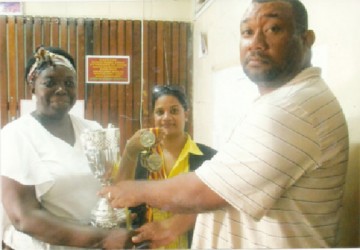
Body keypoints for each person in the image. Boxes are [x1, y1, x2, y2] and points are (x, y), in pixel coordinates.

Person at [101, 0, 349, 248]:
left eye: (274, 29)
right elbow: (230, 190)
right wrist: (171, 227)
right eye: (247, 32)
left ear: (306, 39)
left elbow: (203, 192)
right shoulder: (284, 102)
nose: (256, 43)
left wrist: (135, 190)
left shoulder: (292, 108)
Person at [0, 46, 133, 249]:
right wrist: (101, 238)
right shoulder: (15, 135)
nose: (61, 89)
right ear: (32, 86)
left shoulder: (92, 129)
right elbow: (23, 217)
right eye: (50, 82)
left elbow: (111, 186)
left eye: (69, 83)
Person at [114, 85, 217, 249]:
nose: (166, 117)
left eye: (174, 111)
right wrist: (129, 152)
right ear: (153, 117)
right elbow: (118, 195)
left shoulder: (209, 157)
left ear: (186, 115)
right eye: (160, 112)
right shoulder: (140, 157)